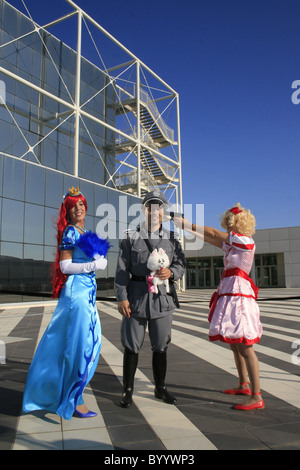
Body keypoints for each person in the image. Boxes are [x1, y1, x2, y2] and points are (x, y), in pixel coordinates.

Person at [22, 187, 109, 420]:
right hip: (78, 294)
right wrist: (92, 265)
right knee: (80, 347)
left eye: (81, 203)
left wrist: (97, 258)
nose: (78, 208)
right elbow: (65, 267)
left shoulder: (82, 230)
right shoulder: (70, 232)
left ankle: (70, 397)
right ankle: (73, 400)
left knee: (85, 344)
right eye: (73, 205)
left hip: (87, 293)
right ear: (67, 211)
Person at [174, 203, 264, 411]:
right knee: (235, 342)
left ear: (236, 223)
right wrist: (187, 228)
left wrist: (189, 223)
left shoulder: (244, 240)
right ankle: (243, 384)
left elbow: (214, 233)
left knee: (244, 344)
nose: (226, 228)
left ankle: (256, 395)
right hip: (231, 291)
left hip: (238, 294)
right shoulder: (235, 242)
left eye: (229, 224)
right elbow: (211, 238)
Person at [115, 190, 186, 408]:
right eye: (149, 206)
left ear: (163, 211)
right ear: (144, 210)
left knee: (161, 345)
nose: (154, 211)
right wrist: (122, 297)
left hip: (162, 299)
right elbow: (121, 270)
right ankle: (127, 390)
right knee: (131, 345)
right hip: (136, 298)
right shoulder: (129, 236)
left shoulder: (172, 239)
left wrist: (172, 273)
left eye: (158, 207)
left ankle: (160, 388)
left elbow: (181, 264)